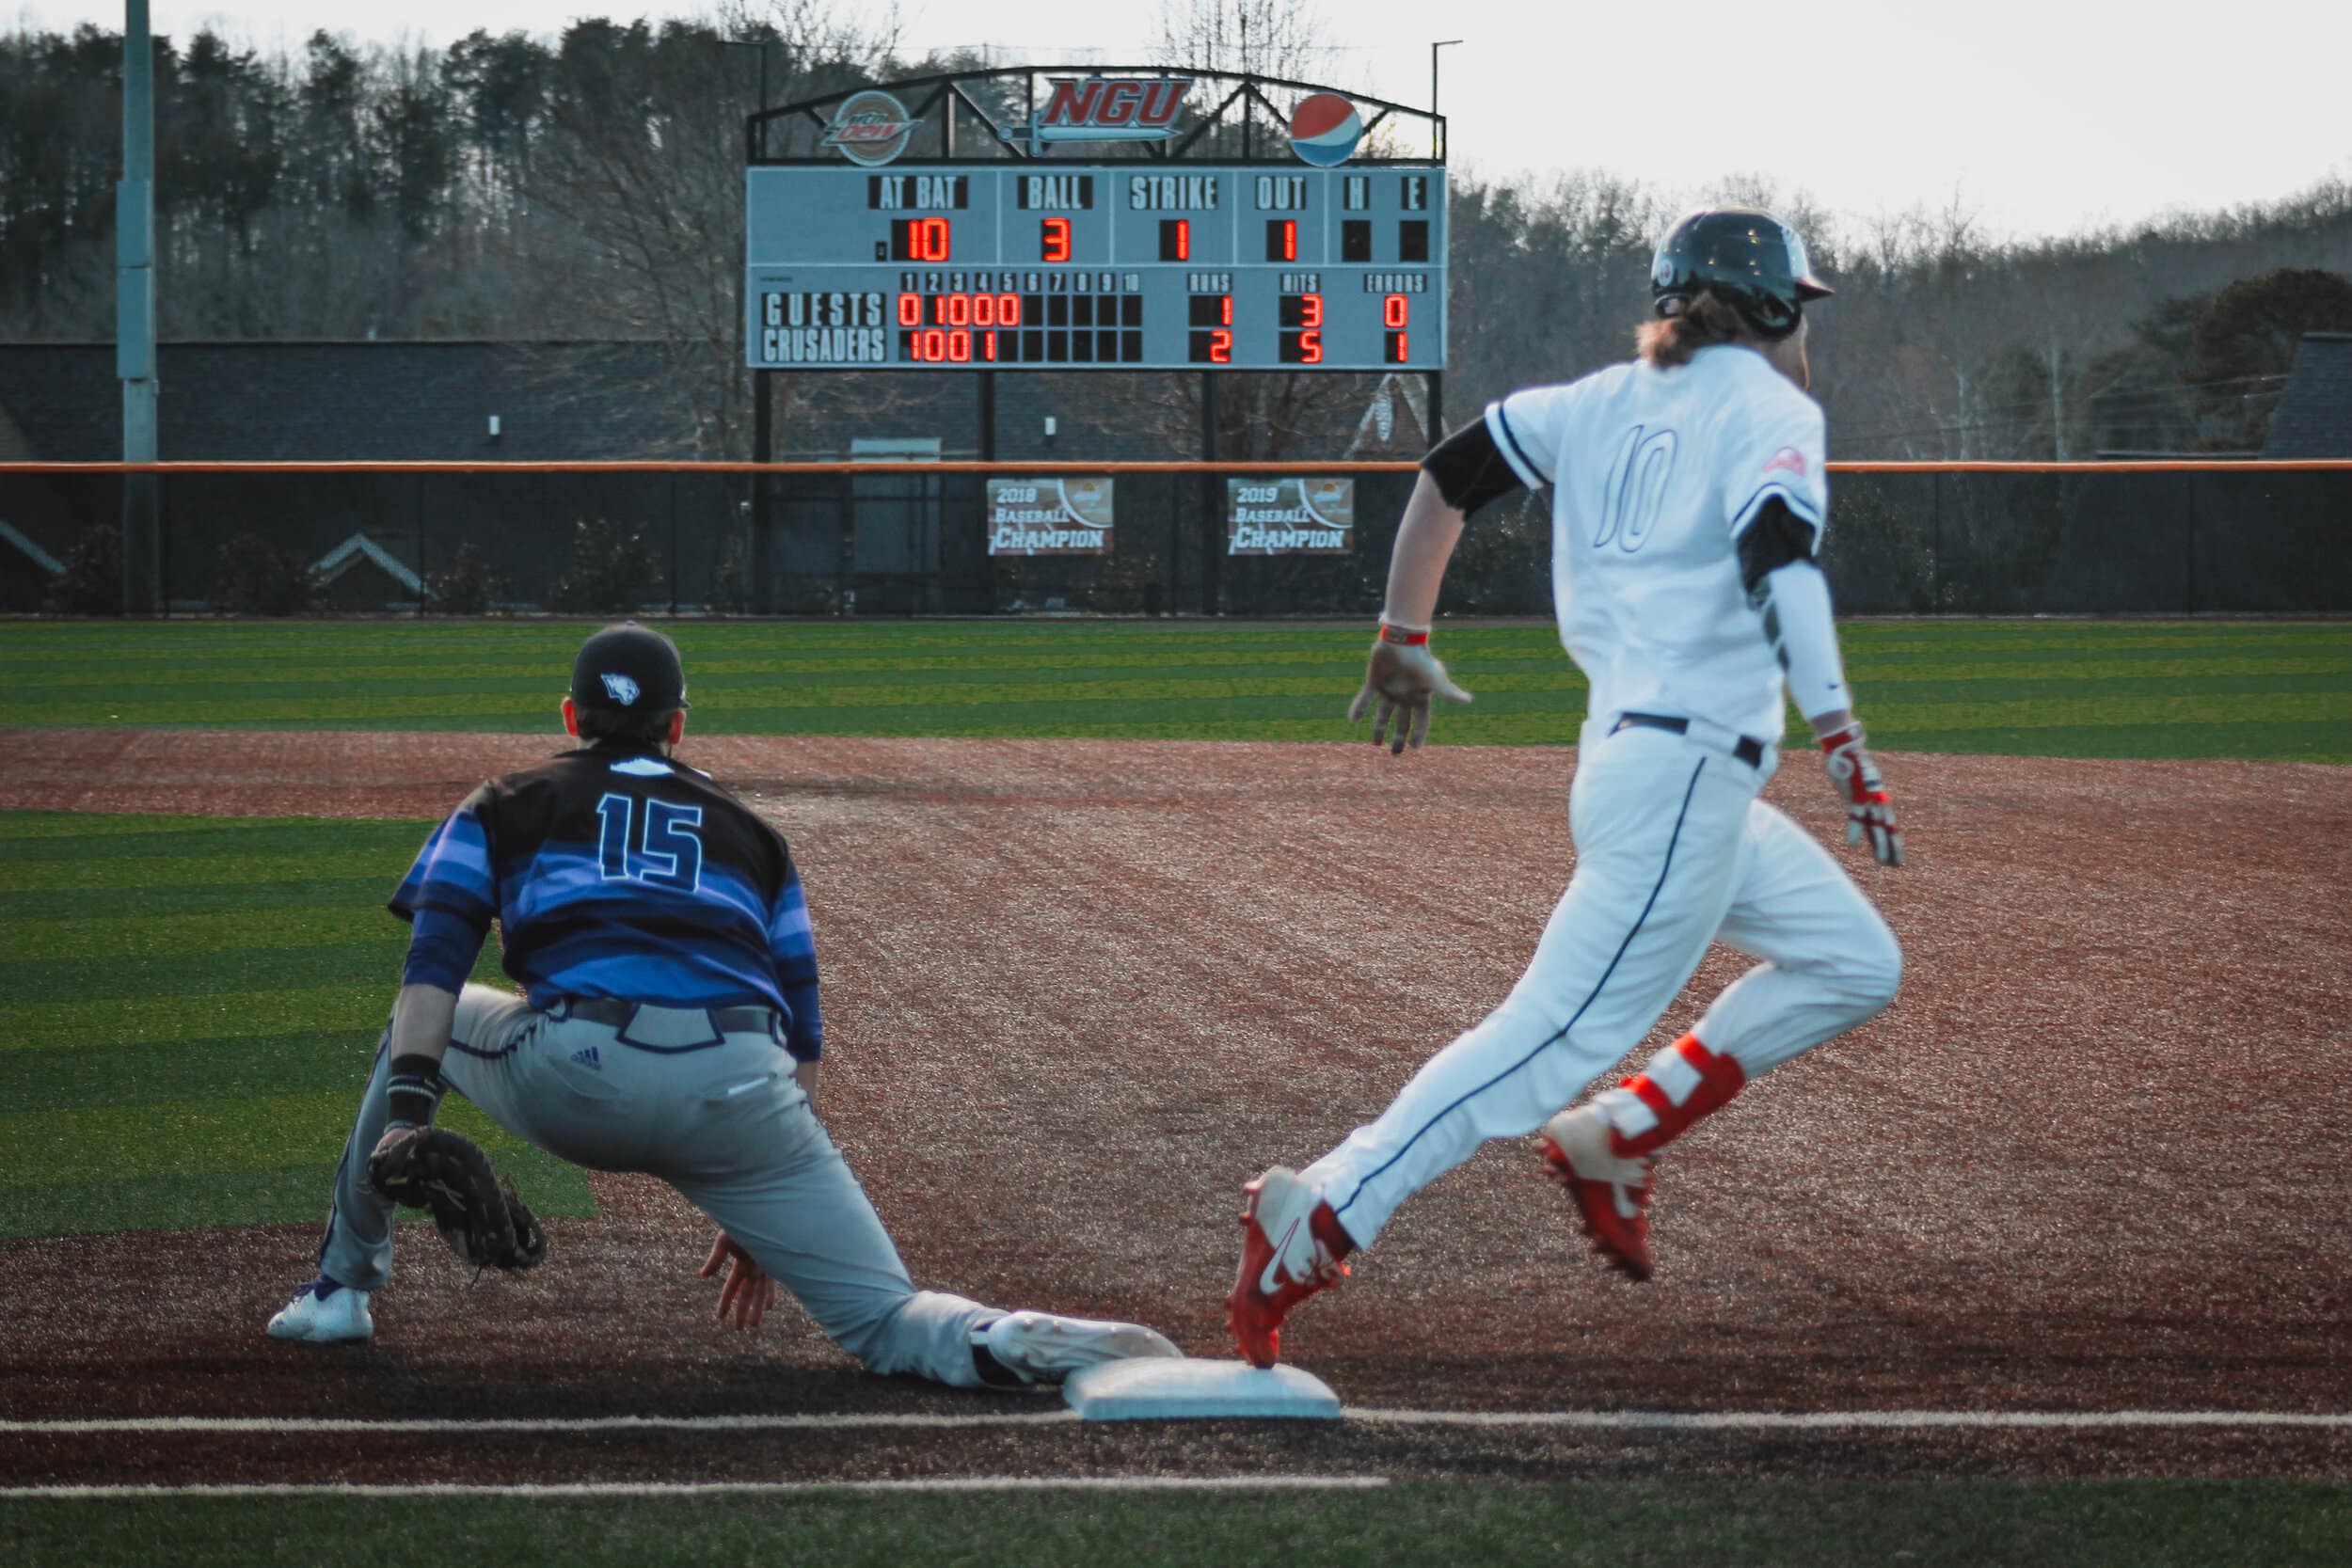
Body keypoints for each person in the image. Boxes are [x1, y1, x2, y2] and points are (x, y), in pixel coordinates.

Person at [1227, 208, 1906, 1368]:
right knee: (1546, 1035)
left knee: (1853, 960)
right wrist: (1837, 723)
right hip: (1684, 776)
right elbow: (1779, 559)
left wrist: (1402, 628)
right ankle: (1324, 1209)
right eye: (1802, 305)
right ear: (1775, 308)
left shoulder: (1594, 399)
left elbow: (1446, 476)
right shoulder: (1772, 409)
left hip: (1648, 769)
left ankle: (1621, 1130)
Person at [269, 623, 1181, 1389]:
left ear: (568, 718)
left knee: (406, 1035)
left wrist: (409, 1115)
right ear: (677, 726)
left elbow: (432, 968)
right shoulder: (755, 835)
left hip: (581, 1070)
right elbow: (803, 1030)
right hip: (745, 1087)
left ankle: (341, 1290)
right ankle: (998, 1335)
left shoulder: (505, 802)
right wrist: (759, 1201)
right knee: (884, 1318)